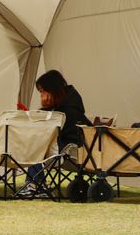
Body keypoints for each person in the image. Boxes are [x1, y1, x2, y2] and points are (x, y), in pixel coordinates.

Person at [16, 70, 88, 199]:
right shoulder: (63, 104)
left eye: (43, 91)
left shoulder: (69, 109)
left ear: (52, 89)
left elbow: (57, 132)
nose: (42, 95)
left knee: (35, 145)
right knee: (34, 143)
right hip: (61, 146)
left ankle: (36, 184)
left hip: (72, 150)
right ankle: (37, 183)